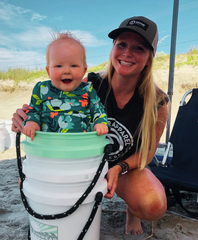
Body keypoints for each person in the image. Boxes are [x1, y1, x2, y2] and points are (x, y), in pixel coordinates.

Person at [12, 16, 169, 236]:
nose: (127, 53)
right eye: (121, 44)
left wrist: (117, 168)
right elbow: (50, 109)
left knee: (152, 205)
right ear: (113, 48)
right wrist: (26, 117)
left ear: (149, 58)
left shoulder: (158, 101)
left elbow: (147, 153)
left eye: (139, 48)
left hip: (122, 168)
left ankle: (131, 210)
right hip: (82, 163)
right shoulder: (89, 84)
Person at [22, 32, 109, 140]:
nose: (66, 71)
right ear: (48, 71)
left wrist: (100, 122)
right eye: (58, 65)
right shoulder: (41, 89)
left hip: (79, 143)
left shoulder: (87, 90)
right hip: (49, 144)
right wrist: (31, 122)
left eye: (73, 65)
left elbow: (98, 110)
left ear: (84, 70)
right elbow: (34, 110)